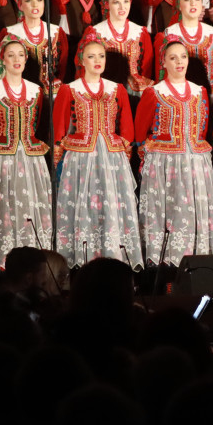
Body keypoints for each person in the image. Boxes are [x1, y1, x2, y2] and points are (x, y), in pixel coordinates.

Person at [53, 31, 143, 269]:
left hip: (111, 156)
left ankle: (113, 256)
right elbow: (59, 125)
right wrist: (58, 148)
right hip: (81, 156)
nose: (97, 61)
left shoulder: (116, 89)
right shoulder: (70, 89)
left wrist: (125, 145)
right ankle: (82, 259)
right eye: (91, 56)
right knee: (83, 203)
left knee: (110, 202)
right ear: (81, 60)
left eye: (101, 56)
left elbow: (126, 124)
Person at [136, 37, 213, 264]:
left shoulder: (199, 92)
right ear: (163, 62)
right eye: (173, 58)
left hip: (195, 162)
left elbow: (202, 129)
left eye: (183, 57)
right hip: (165, 164)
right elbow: (139, 132)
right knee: (169, 213)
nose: (179, 62)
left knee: (193, 213)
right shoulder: (154, 92)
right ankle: (166, 265)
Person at [0, 35, 53, 273]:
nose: (16, 59)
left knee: (30, 208)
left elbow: (39, 124)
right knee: (3, 209)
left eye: (21, 55)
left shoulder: (36, 91)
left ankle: (33, 264)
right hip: (0, 160)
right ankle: (2, 263)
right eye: (11, 55)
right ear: (3, 60)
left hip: (30, 160)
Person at [155, 0, 213, 102]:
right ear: (179, 5)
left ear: (202, 4)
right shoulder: (167, 35)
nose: (193, 4)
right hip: (178, 93)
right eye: (187, 0)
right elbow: (161, 73)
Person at [85, 0, 154, 103]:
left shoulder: (140, 32)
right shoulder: (95, 33)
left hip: (136, 92)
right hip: (104, 92)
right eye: (116, 2)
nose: (122, 7)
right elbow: (84, 68)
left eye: (126, 1)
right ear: (107, 4)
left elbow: (146, 69)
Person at [1, 0, 68, 91]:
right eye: (28, 0)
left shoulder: (56, 32)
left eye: (39, 0)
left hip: (53, 95)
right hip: (21, 94)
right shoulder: (10, 33)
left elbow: (63, 68)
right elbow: (1, 70)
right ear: (20, 5)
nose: (34, 4)